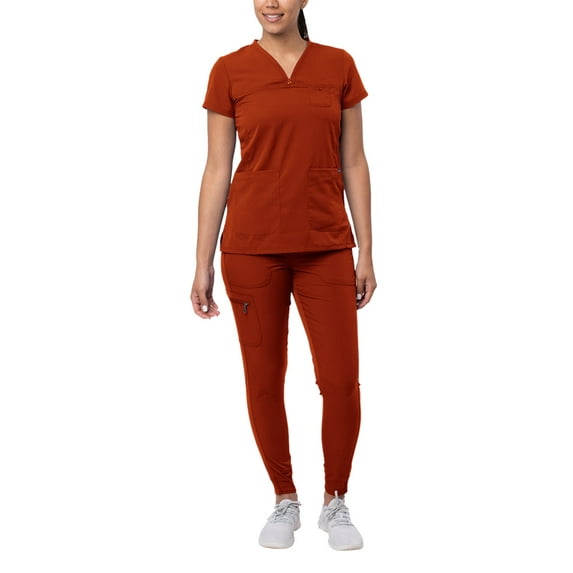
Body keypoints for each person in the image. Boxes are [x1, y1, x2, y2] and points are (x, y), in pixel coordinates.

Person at [190, 0, 376, 551]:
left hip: (326, 246)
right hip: (251, 250)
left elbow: (355, 161)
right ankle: (284, 497)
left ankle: (335, 500)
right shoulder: (229, 70)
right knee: (264, 379)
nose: (271, 2)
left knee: (340, 381)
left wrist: (366, 250)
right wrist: (201, 261)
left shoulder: (338, 65)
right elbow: (217, 168)